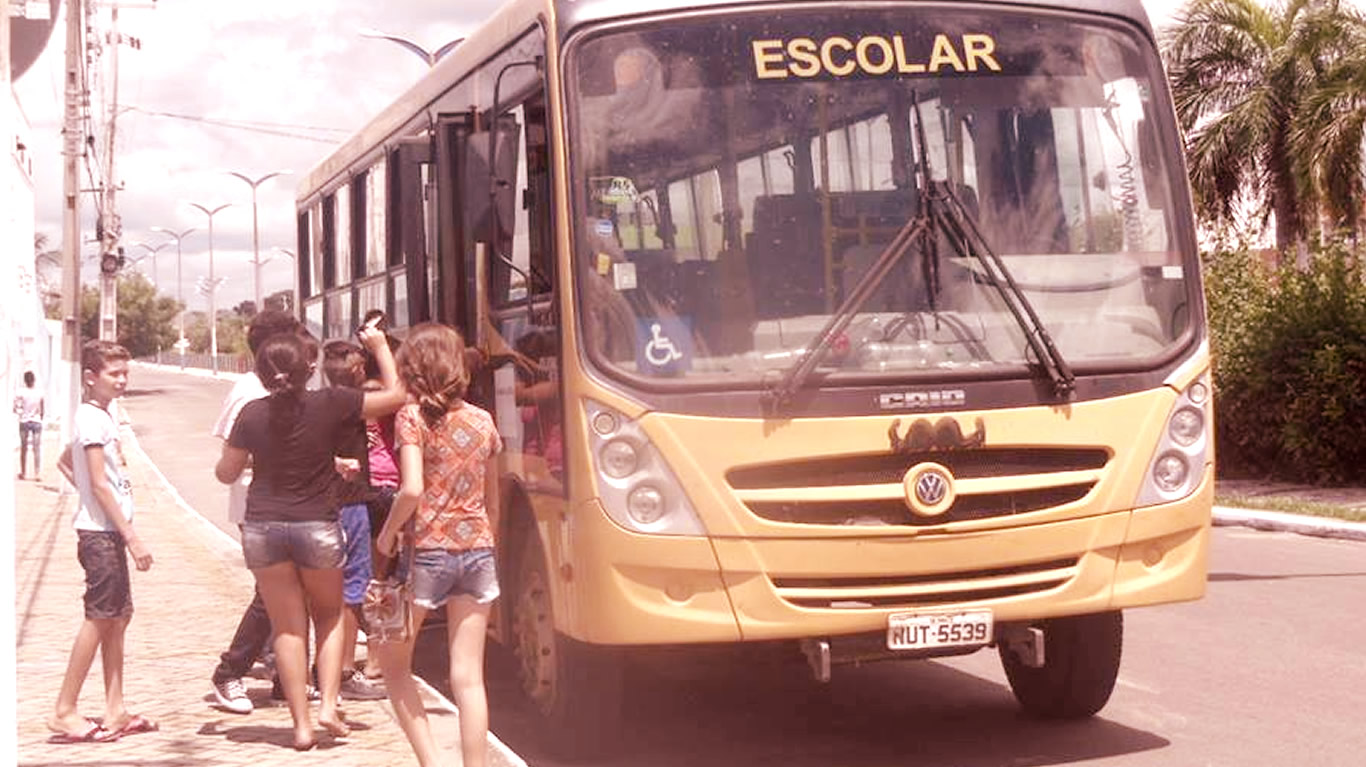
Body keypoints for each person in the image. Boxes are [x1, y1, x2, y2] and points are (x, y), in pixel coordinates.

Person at [215, 324, 404, 751]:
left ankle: (299, 727)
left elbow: (226, 472)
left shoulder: (251, 413)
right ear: (309, 368)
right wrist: (379, 348)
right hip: (316, 525)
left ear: (261, 374)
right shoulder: (331, 403)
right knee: (331, 615)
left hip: (263, 528)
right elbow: (396, 397)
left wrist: (254, 460)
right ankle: (329, 704)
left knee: (287, 628)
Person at [374, 322, 502, 767]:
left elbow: (410, 489)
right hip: (478, 550)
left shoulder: (412, 417)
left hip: (427, 552)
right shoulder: (483, 420)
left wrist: (388, 534)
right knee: (468, 677)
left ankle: (432, 763)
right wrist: (486, 541)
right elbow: (492, 501)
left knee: (393, 664)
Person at [47, 340, 158, 744]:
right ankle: (64, 710)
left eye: (125, 372)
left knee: (117, 618)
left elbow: (65, 461)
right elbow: (97, 482)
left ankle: (116, 708)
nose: (122, 380)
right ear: (91, 377)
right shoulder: (92, 418)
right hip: (102, 536)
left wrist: (94, 503)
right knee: (99, 618)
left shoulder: (99, 417)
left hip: (105, 529)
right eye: (114, 373)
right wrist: (132, 537)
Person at [208, 309, 315, 714]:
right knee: (271, 595)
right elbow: (231, 457)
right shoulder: (250, 392)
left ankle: (282, 677)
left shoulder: (269, 386)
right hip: (259, 505)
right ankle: (230, 670)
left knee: (287, 593)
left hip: (277, 505)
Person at [320, 339, 387, 701]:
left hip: (325, 506)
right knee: (351, 593)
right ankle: (344, 671)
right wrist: (382, 350)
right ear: (359, 370)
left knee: (331, 592)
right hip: (350, 506)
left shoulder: (321, 402)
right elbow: (397, 392)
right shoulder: (351, 404)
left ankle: (330, 670)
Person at [15, 370, 44, 480]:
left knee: (24, 448)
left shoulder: (20, 392)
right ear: (34, 380)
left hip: (24, 421)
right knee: (37, 448)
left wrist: (20, 413)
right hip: (36, 421)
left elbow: (16, 407)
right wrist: (40, 417)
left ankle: (23, 472)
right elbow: (42, 409)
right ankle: (37, 473)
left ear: (25, 381)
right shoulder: (39, 393)